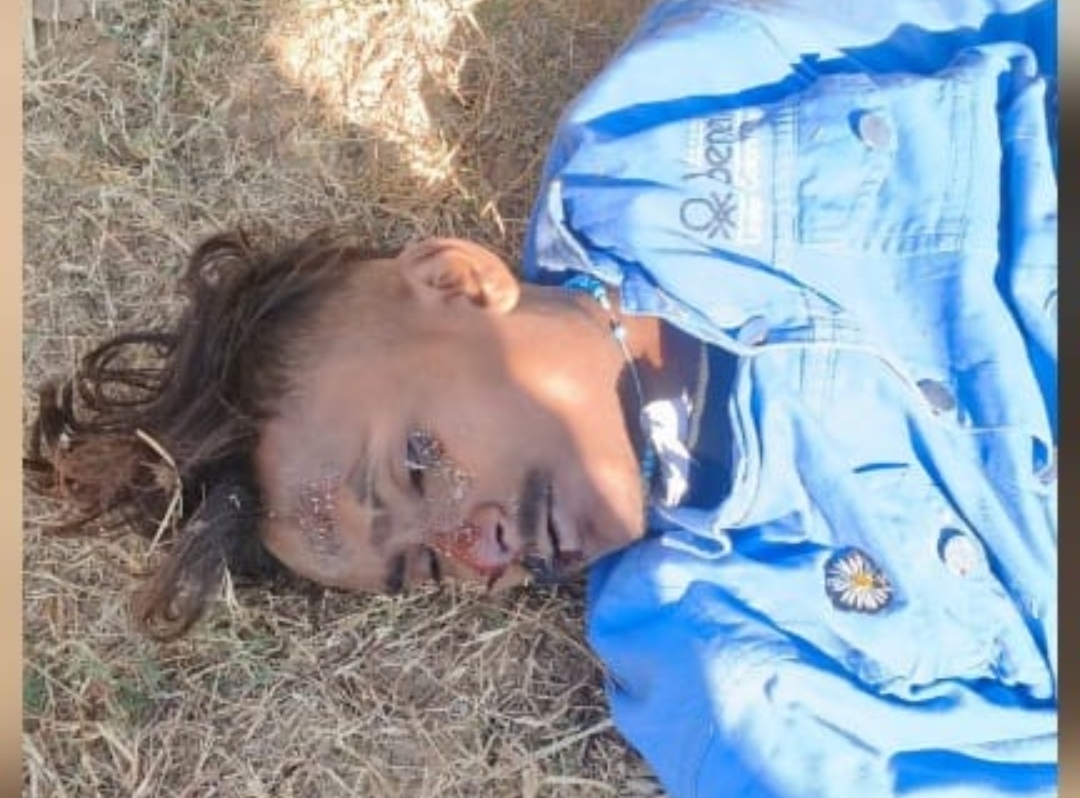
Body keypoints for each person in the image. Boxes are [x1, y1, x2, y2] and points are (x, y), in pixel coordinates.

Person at [26, 0, 1057, 796]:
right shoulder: (723, 664)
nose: (477, 553)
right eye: (424, 571)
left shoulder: (675, 120)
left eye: (419, 467)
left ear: (458, 283)